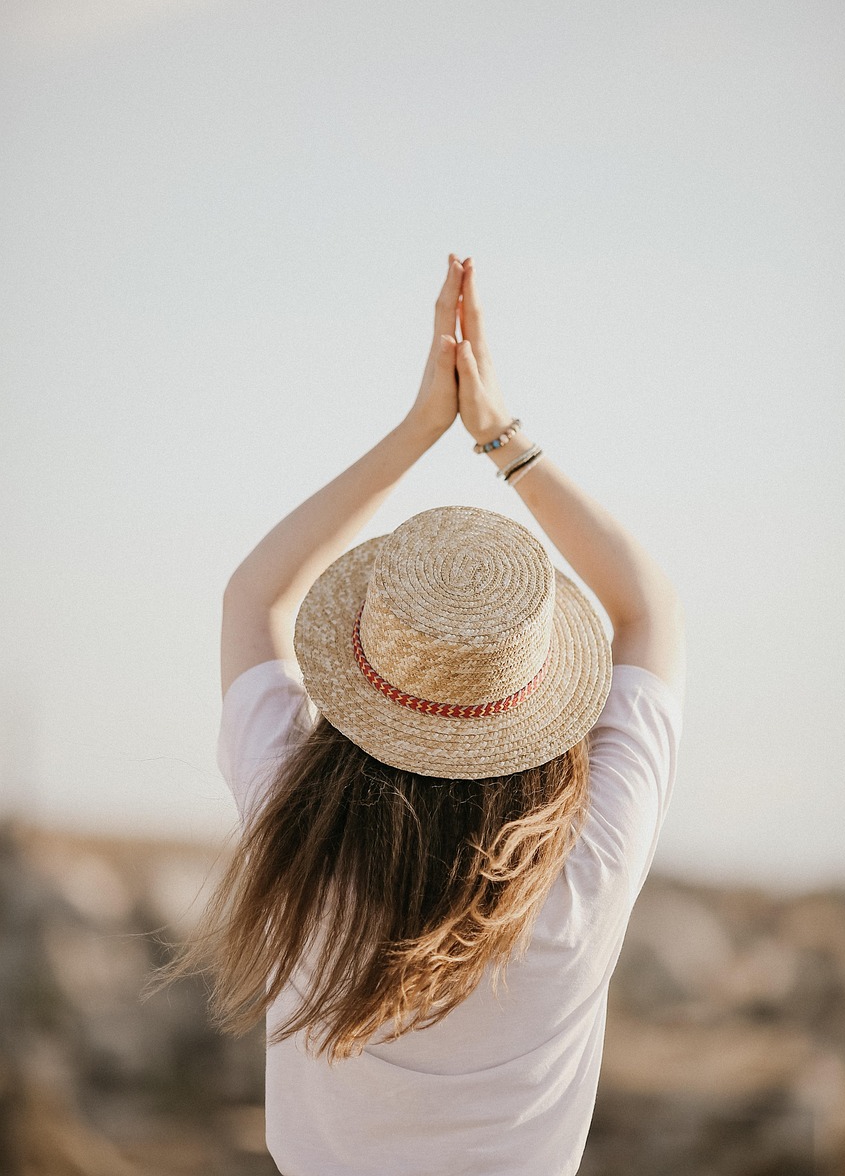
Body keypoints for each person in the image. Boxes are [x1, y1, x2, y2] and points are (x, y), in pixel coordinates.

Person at [161, 253, 686, 1175]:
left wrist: (419, 428)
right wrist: (497, 433)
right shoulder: (582, 872)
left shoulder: (298, 835)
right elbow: (648, 609)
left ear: (371, 681)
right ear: (536, 703)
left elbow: (252, 598)